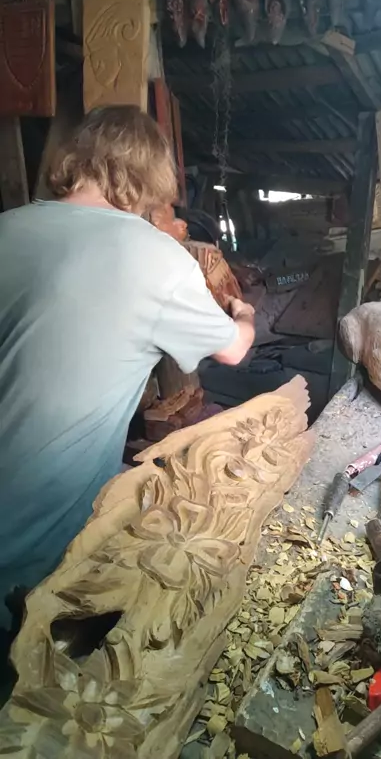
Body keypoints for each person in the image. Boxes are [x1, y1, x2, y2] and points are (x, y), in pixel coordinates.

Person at [0, 106, 255, 628]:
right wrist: (245, 315)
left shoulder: (8, 227)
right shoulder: (157, 257)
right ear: (148, 177)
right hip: (32, 533)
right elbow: (233, 351)